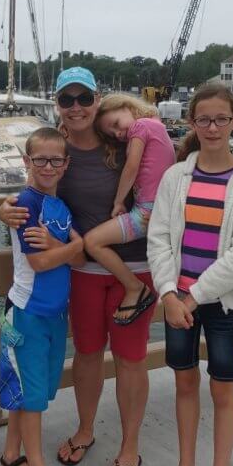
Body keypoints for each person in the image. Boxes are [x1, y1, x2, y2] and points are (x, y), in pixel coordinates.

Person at [0, 66, 157, 466]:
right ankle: (86, 429)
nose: (75, 108)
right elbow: (35, 187)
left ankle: (129, 446)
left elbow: (162, 180)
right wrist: (5, 207)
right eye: (66, 100)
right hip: (83, 272)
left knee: (130, 358)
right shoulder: (57, 150)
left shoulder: (122, 143)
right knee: (87, 353)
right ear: (57, 104)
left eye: (83, 99)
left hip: (135, 269)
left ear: (96, 99)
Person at [147, 81, 233, 466]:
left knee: (222, 388)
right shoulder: (175, 177)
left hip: (220, 305)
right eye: (203, 119)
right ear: (191, 122)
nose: (212, 127)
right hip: (176, 300)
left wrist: (190, 299)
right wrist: (167, 293)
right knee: (183, 382)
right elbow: (158, 239)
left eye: (220, 119)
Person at [0, 126, 84, 466]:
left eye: (55, 160)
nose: (47, 166)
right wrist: (74, 245)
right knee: (32, 400)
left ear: (66, 165)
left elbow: (77, 258)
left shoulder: (59, 207)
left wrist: (70, 246)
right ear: (26, 162)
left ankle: (10, 457)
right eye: (40, 160)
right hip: (27, 314)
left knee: (31, 391)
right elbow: (41, 260)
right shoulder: (25, 204)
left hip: (54, 315)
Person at [83, 94, 175, 324]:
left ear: (127, 107)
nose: (118, 133)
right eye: (112, 134)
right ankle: (136, 287)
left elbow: (132, 166)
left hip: (147, 213)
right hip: (159, 210)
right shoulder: (157, 124)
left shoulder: (141, 126)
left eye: (116, 124)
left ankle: (135, 288)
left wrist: (118, 202)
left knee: (92, 242)